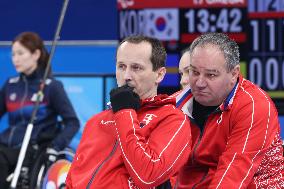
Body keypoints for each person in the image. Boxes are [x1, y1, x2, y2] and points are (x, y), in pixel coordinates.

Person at [66, 35, 192, 189]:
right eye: (121, 66)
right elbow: (73, 179)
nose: (126, 76)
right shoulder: (95, 122)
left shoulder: (172, 119)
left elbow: (148, 176)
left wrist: (125, 112)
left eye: (136, 68)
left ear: (159, 74)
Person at [175, 32, 284, 188]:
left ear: (234, 74)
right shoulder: (176, 103)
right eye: (194, 72)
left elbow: (232, 178)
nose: (199, 83)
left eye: (211, 75)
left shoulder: (255, 106)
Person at [0, 31, 80, 188]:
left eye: (20, 53)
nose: (15, 58)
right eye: (13, 54)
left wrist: (55, 146)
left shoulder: (52, 87)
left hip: (34, 148)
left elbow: (72, 122)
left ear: (36, 54)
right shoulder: (10, 84)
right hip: (7, 145)